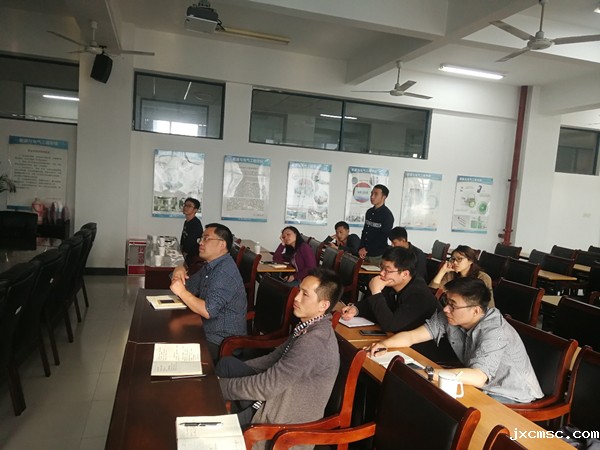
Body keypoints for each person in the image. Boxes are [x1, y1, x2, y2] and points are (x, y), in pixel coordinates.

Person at [365, 277, 544, 404]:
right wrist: (384, 344)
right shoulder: (452, 316)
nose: (446, 309)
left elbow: (478, 377)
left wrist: (427, 373)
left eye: (453, 305)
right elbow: (412, 336)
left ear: (475, 310)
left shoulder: (494, 331)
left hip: (509, 393)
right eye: (447, 302)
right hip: (478, 384)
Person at [216, 268, 342, 446]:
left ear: (323, 305)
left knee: (210, 429)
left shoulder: (314, 342)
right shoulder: (310, 326)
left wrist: (219, 386)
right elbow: (273, 358)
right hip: (274, 401)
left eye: (305, 294)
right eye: (299, 290)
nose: (296, 298)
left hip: (282, 427)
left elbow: (267, 386)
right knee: (227, 366)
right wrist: (233, 380)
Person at [170, 223, 246, 361]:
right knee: (171, 332)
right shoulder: (210, 266)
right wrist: (179, 269)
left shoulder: (224, 272)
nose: (200, 243)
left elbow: (208, 311)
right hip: (205, 328)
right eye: (201, 239)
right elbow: (188, 287)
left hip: (222, 343)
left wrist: (181, 292)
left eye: (206, 238)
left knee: (174, 349)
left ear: (222, 244)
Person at [341, 247, 439, 333]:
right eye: (381, 267)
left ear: (405, 274)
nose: (381, 273)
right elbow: (373, 306)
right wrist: (356, 309)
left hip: (419, 345)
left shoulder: (419, 295)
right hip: (396, 336)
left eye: (387, 270)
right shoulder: (392, 283)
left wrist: (376, 291)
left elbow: (390, 325)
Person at [429, 245, 495, 307]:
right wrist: (442, 271)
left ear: (470, 261)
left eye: (459, 259)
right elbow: (432, 292)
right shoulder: (451, 274)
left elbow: (489, 305)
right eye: (453, 259)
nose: (455, 262)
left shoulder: (482, 277)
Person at [358, 184, 394, 264]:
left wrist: (366, 249)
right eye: (371, 193)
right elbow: (365, 231)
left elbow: (383, 236)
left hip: (377, 255)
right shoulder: (369, 212)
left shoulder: (387, 215)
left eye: (376, 194)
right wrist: (361, 247)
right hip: (364, 253)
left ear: (384, 197)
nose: (372, 196)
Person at [180, 197, 203, 266]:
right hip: (185, 254)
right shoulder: (187, 222)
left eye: (189, 206)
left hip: (192, 256)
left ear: (195, 210)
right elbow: (184, 238)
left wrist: (184, 255)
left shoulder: (195, 224)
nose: (185, 207)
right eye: (185, 205)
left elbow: (191, 242)